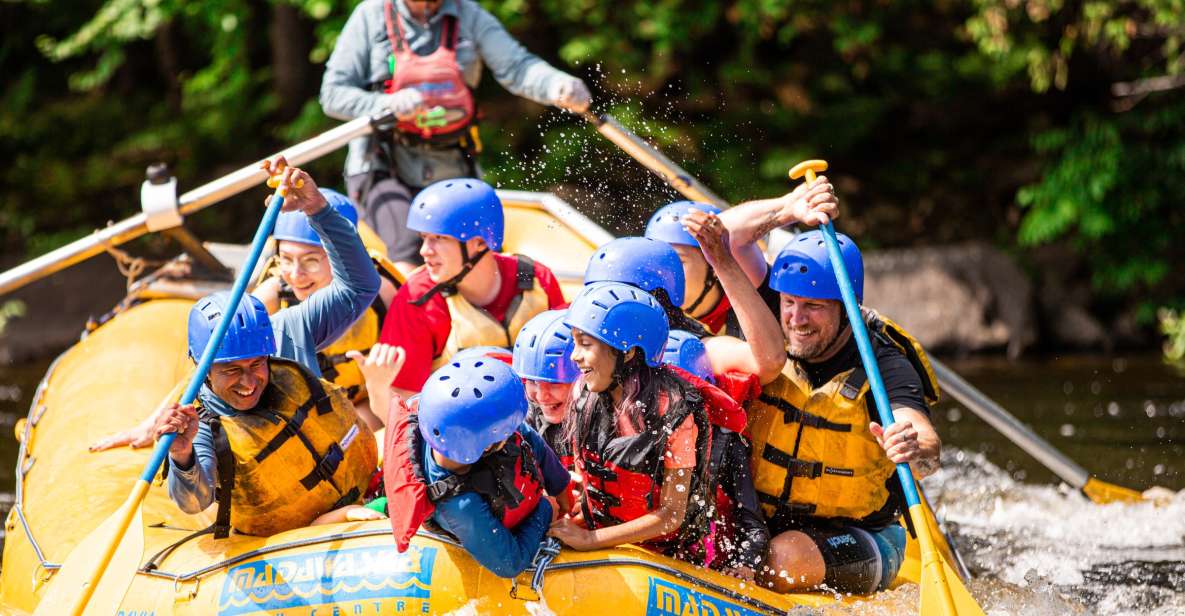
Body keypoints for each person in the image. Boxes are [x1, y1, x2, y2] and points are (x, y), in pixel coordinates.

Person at [151, 158, 382, 537]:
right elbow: (194, 502)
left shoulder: (288, 332)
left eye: (257, 364)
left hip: (361, 497)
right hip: (288, 543)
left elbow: (360, 287)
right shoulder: (200, 419)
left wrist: (315, 208)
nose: (248, 382)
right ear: (203, 367)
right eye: (231, 371)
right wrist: (181, 454)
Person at [320, 0, 592, 274]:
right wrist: (385, 104)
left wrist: (556, 85)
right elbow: (332, 95)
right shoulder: (371, 15)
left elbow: (518, 67)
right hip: (382, 164)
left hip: (450, 161)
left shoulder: (469, 15)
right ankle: (409, 306)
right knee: (407, 249)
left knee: (474, 252)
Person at [750, 230, 943, 595]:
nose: (797, 319)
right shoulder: (767, 341)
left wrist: (913, 445)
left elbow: (924, 440)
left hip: (862, 536)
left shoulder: (885, 365)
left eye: (814, 306)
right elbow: (729, 245)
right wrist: (788, 207)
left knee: (782, 560)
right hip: (767, 520)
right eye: (789, 302)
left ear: (848, 306)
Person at [547, 282, 746, 564]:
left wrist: (591, 541)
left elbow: (671, 515)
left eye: (586, 344)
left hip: (667, 554)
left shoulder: (675, 414)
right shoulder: (584, 394)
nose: (574, 356)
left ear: (627, 352)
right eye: (575, 342)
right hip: (600, 530)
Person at [384, 358, 571, 577]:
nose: (514, 430)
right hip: (501, 520)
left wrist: (565, 498)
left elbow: (531, 442)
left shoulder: (473, 435)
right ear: (486, 446)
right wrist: (546, 510)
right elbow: (510, 564)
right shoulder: (459, 506)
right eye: (506, 430)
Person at [378, 178, 566, 396]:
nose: (424, 251)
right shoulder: (416, 298)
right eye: (424, 238)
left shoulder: (535, 279)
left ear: (480, 242)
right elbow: (404, 398)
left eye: (439, 238)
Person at [254, 191, 402, 430]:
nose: (295, 274)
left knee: (361, 426)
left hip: (365, 404)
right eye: (286, 259)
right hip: (301, 417)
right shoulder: (269, 300)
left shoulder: (382, 295)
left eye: (311, 261)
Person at [644, 176, 838, 336]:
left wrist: (787, 207)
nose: (664, 273)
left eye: (678, 261)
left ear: (712, 265)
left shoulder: (755, 293)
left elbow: (731, 233)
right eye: (659, 263)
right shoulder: (656, 318)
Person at [582, 233, 784, 386]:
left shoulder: (696, 349)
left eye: (611, 298)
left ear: (653, 298)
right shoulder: (579, 343)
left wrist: (725, 264)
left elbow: (769, 362)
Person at [661, 330, 768, 580]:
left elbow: (753, 525)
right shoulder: (638, 434)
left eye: (684, 398)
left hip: (708, 562)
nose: (672, 410)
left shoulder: (726, 444)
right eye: (663, 396)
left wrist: (745, 565)